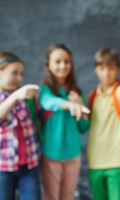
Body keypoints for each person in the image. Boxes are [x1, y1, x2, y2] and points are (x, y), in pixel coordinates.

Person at [39, 43, 90, 200]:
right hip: (51, 155)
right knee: (51, 196)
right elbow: (49, 102)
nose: (63, 66)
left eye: (67, 61)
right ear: (48, 64)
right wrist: (70, 105)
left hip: (73, 156)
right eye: (57, 61)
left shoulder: (76, 93)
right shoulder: (45, 91)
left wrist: (80, 106)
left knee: (68, 196)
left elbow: (84, 127)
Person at [87, 47, 120, 200]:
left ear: (118, 69)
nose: (106, 73)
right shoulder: (92, 95)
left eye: (111, 68)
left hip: (118, 162)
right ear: (96, 69)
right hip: (95, 163)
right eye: (101, 68)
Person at [0, 51, 41, 200]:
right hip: (3, 167)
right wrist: (15, 97)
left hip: (29, 165)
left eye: (21, 73)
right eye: (14, 73)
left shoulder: (25, 98)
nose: (19, 78)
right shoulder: (17, 95)